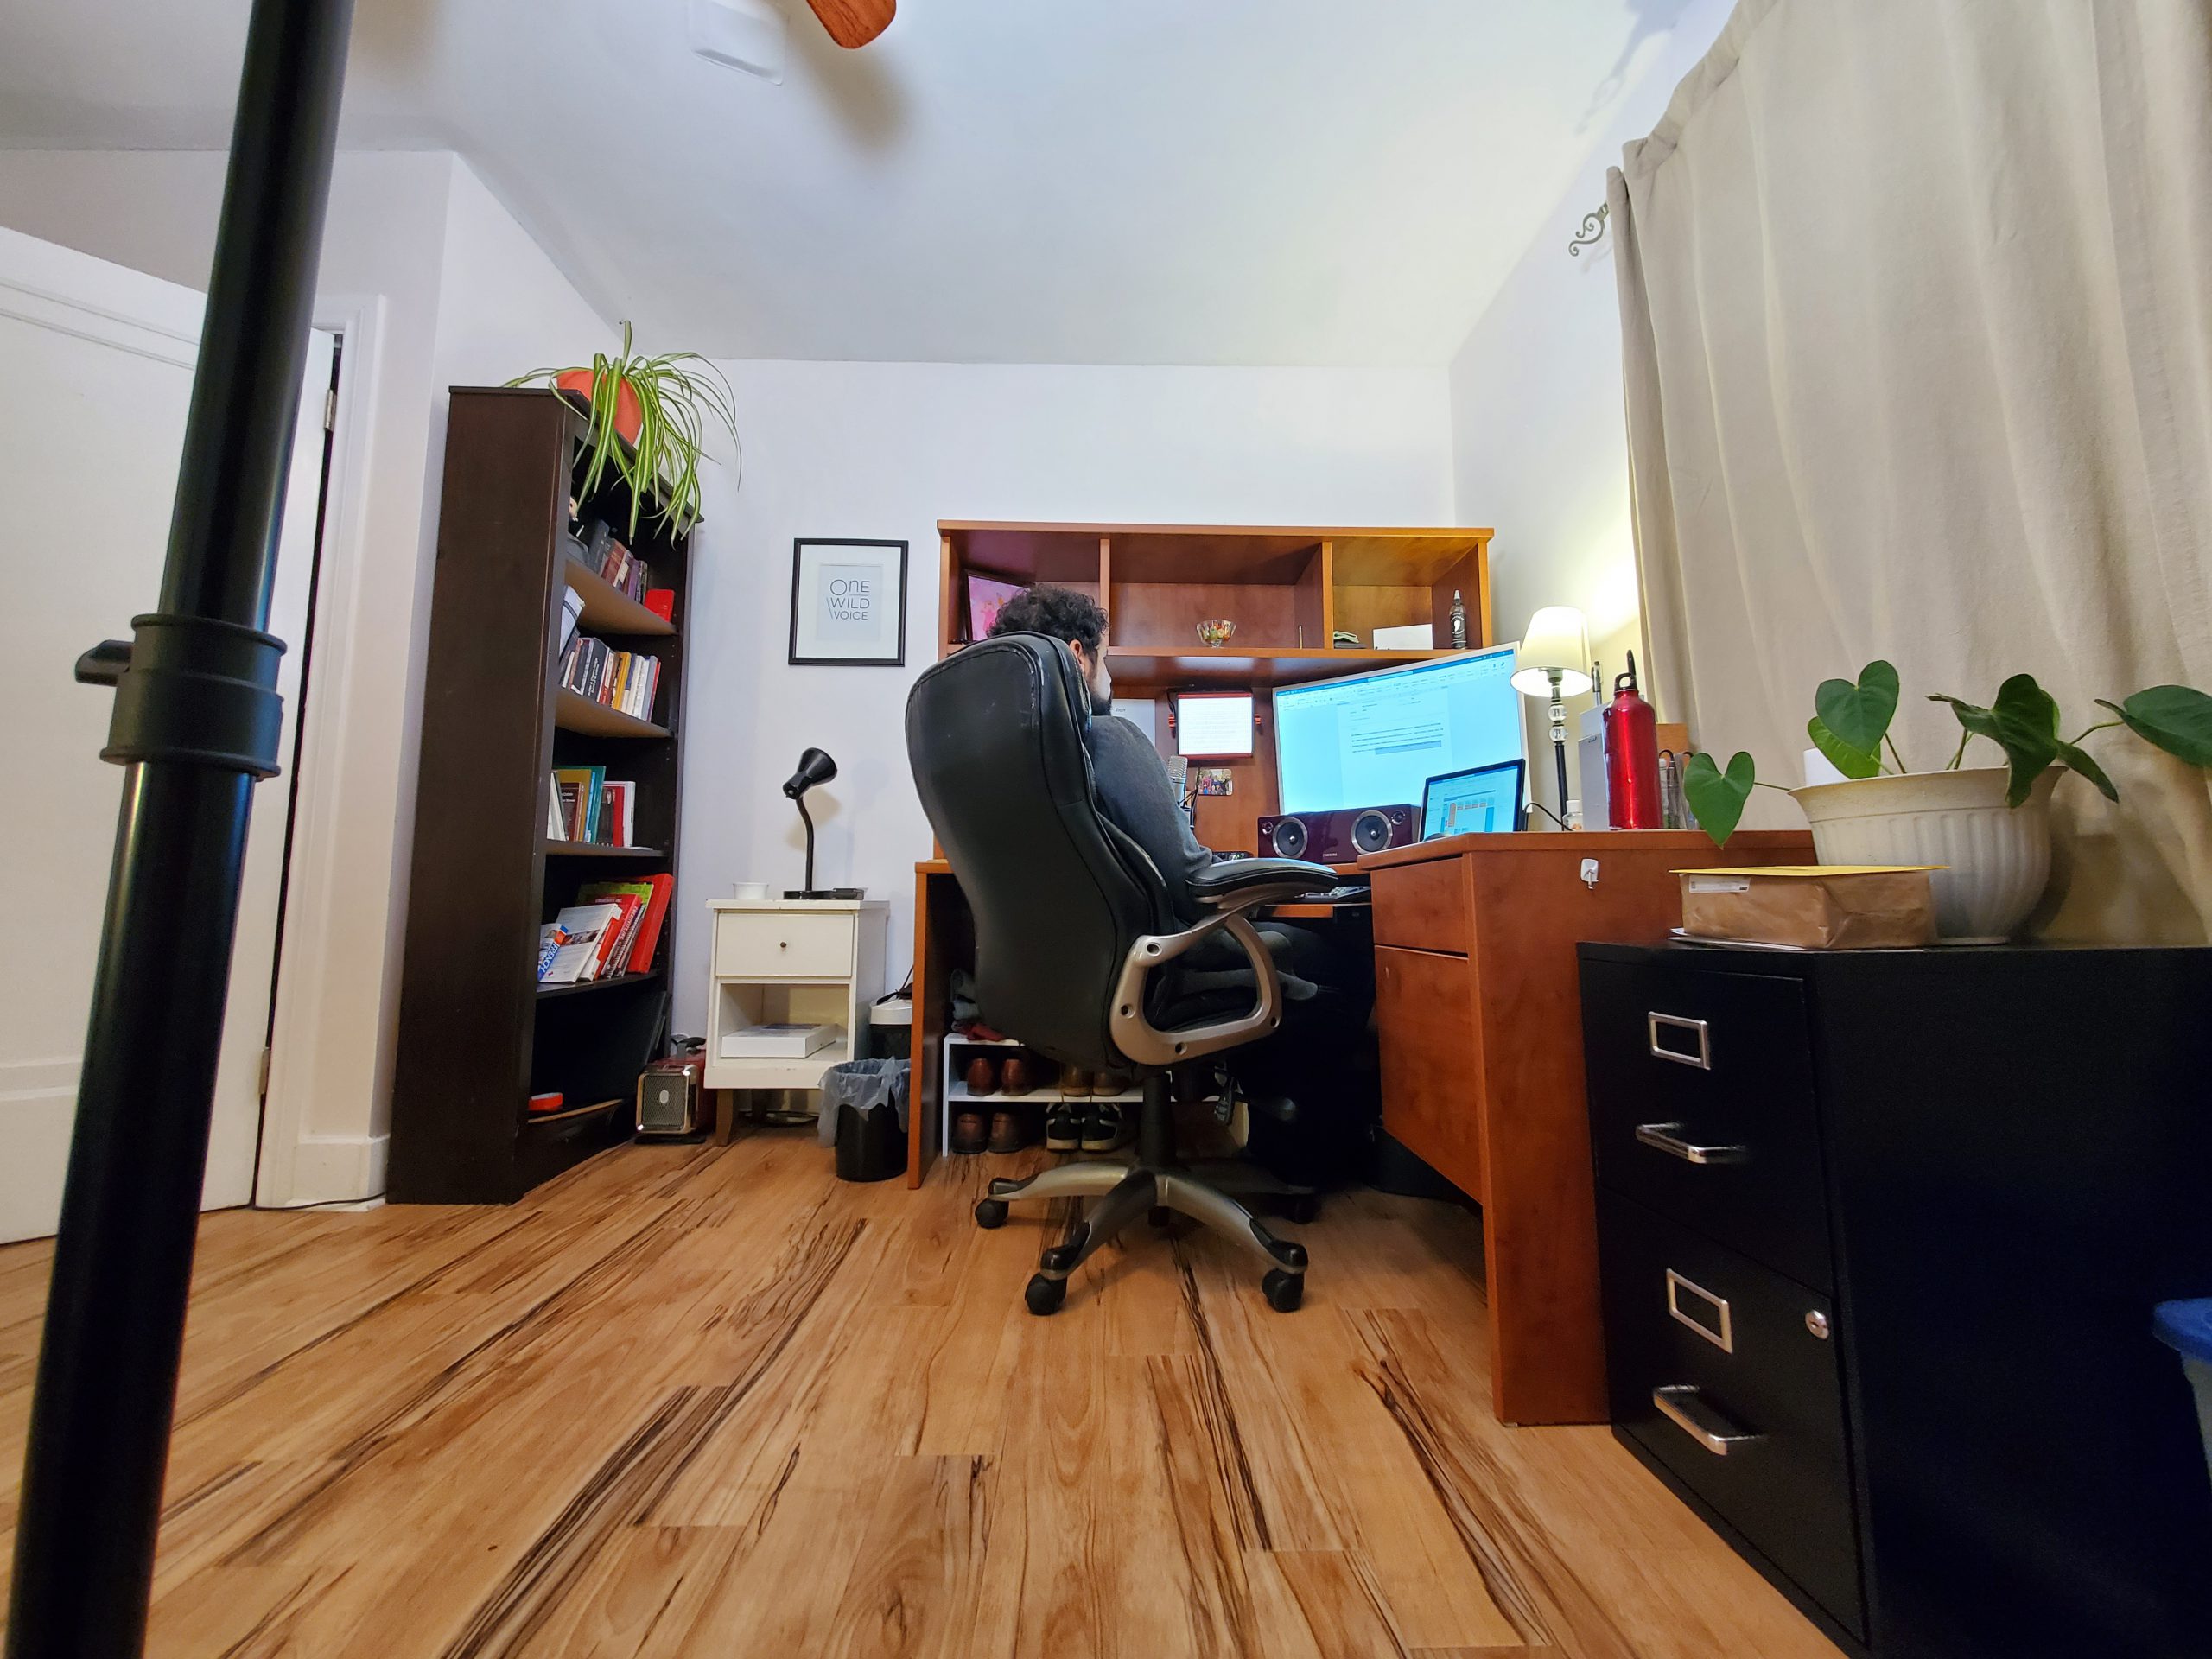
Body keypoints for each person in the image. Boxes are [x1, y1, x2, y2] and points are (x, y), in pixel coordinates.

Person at [987, 586, 1375, 1179]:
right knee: (1345, 953)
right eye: (1108, 660)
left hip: (1057, 987)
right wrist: (1308, 879)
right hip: (1155, 976)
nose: (1108, 676)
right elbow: (1193, 877)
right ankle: (1314, 1153)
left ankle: (1275, 1124)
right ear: (1078, 654)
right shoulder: (1103, 738)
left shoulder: (1010, 763)